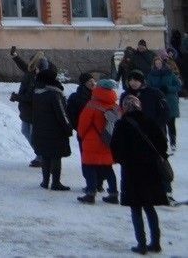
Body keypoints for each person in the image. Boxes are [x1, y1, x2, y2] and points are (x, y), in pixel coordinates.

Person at [111, 94, 170, 254]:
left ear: (124, 108)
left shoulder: (122, 124)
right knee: (150, 208)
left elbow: (116, 150)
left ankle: (141, 244)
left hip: (132, 172)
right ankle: (156, 243)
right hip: (151, 171)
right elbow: (162, 145)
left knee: (136, 208)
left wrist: (124, 159)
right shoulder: (149, 122)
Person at [77, 80, 121, 204]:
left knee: (89, 166)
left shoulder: (92, 105)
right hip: (108, 141)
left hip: (92, 141)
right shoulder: (115, 106)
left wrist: (81, 136)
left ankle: (90, 193)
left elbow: (83, 124)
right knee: (108, 168)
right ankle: (113, 194)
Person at [30, 64, 73, 191]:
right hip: (55, 131)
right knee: (55, 156)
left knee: (45, 156)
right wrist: (68, 128)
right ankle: (55, 183)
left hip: (40, 130)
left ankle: (45, 181)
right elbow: (61, 113)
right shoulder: (54, 94)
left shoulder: (37, 93)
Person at [9, 45, 47, 166]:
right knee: (26, 131)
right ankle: (40, 155)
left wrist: (17, 97)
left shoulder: (38, 78)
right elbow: (23, 66)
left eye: (32, 62)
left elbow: (31, 97)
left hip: (34, 110)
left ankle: (42, 156)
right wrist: (15, 56)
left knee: (33, 134)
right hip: (27, 110)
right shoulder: (30, 71)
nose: (30, 64)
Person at [147, 54, 182, 151]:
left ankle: (173, 142)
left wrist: (168, 88)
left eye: (159, 63)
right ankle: (163, 141)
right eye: (156, 63)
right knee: (161, 124)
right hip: (158, 102)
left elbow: (178, 86)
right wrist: (157, 90)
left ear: (162, 64)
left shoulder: (170, 74)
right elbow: (148, 87)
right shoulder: (151, 75)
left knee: (171, 123)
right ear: (154, 64)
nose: (158, 65)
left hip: (170, 101)